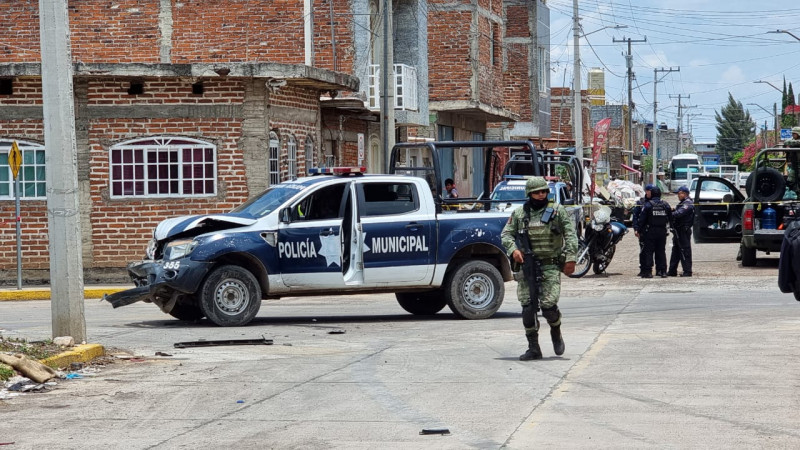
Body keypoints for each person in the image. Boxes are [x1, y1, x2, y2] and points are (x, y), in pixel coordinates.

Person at [501, 177, 578, 361]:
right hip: (527, 267)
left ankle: (556, 329)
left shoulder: (557, 211)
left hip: (550, 265)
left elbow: (570, 233)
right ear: (530, 194)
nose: (541, 194)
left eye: (543, 191)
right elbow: (506, 235)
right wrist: (514, 251)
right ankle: (533, 348)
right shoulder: (520, 214)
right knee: (528, 309)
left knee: (548, 307)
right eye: (537, 192)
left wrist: (571, 258)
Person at [637, 185, 672, 278]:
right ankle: (663, 271)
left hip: (650, 231)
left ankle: (648, 272)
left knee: (649, 252)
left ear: (652, 194)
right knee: (661, 251)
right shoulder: (665, 204)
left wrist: (639, 230)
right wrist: (670, 228)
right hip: (662, 231)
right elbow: (671, 218)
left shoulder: (648, 205)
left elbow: (642, 220)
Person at [668, 185, 694, 277]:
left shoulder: (688, 203)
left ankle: (687, 271)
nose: (678, 196)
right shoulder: (682, 203)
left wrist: (670, 213)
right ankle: (672, 270)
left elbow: (679, 213)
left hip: (683, 230)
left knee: (684, 250)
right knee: (676, 251)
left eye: (679, 194)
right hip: (678, 230)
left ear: (685, 194)